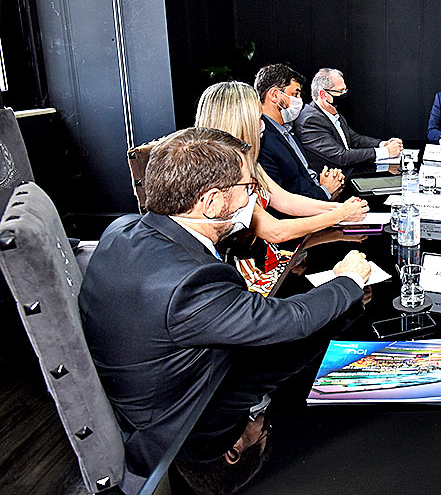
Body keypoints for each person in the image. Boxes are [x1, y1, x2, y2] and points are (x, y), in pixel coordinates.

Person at [78, 127, 372, 488]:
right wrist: (349, 280)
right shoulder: (189, 283)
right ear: (212, 202)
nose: (254, 197)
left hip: (155, 390)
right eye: (248, 188)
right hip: (178, 412)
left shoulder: (122, 230)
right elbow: (288, 320)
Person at [196, 81, 369, 243]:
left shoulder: (248, 162)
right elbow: (275, 231)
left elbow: (286, 201)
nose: (263, 125)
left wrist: (342, 209)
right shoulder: (224, 175)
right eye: (257, 120)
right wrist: (339, 215)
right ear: (240, 123)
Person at [254, 63, 344, 201]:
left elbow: (302, 179)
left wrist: (325, 184)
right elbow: (284, 200)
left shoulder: (287, 131)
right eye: (295, 94)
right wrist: (325, 190)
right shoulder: (263, 139)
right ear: (274, 95)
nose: (299, 100)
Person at [297, 68, 403, 172]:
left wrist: (383, 144)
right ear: (323, 94)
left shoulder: (332, 111)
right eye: (340, 91)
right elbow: (341, 156)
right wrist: (385, 152)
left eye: (345, 90)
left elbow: (353, 139)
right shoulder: (310, 120)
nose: (344, 95)